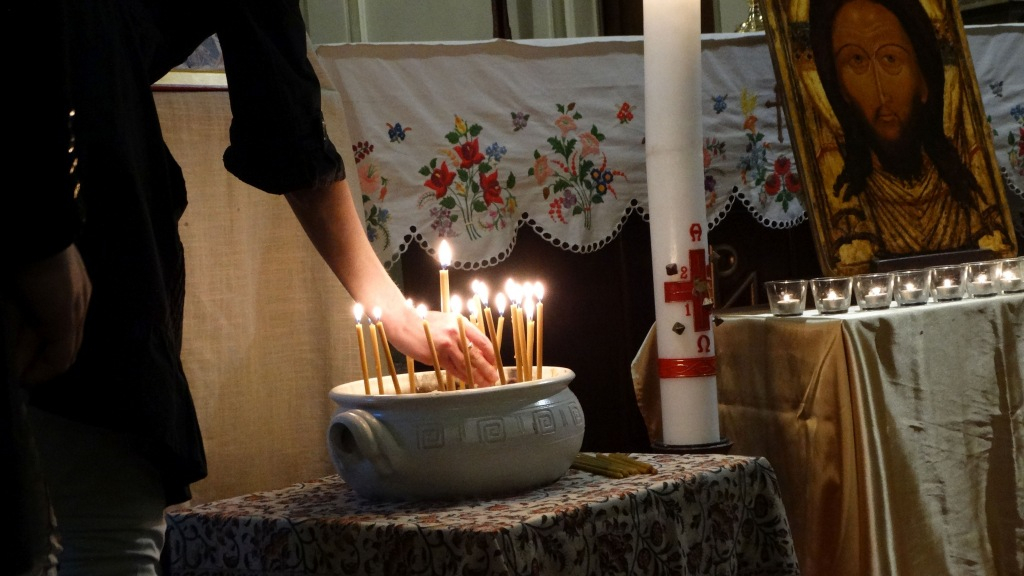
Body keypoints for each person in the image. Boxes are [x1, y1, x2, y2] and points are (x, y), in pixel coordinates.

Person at [3, 2, 498, 574]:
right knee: (105, 524)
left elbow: (284, 118)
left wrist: (396, 313)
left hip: (73, 175)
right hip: (81, 179)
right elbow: (284, 121)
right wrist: (43, 230)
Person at [809, 0, 1014, 259]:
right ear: (839, 87)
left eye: (891, 59)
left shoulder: (973, 203)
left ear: (924, 78)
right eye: (857, 60)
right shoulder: (848, 212)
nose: (881, 92)